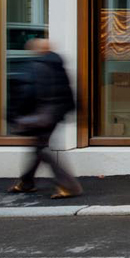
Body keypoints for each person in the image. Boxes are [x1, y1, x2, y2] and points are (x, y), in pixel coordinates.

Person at [8, 39, 82, 199]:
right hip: (53, 115)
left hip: (40, 116)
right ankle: (26, 183)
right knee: (38, 148)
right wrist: (67, 110)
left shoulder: (36, 67)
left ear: (35, 50)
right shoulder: (57, 65)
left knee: (42, 150)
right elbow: (68, 92)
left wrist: (14, 116)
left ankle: (70, 186)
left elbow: (27, 94)